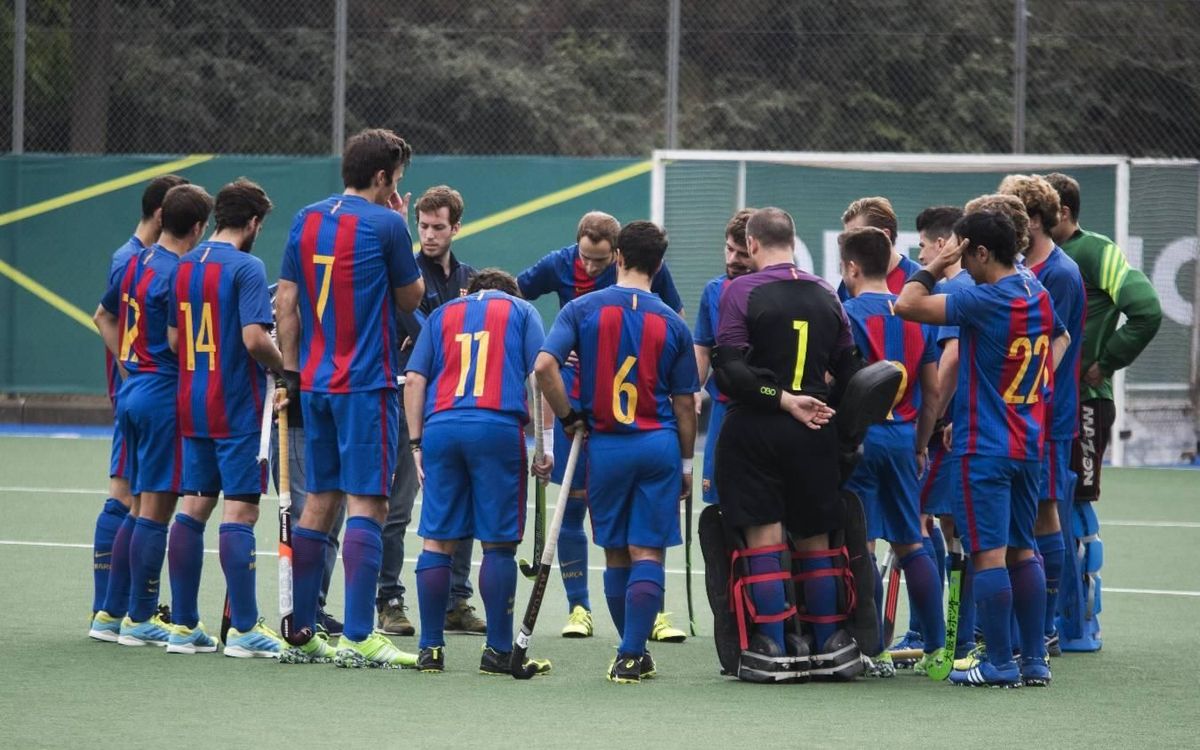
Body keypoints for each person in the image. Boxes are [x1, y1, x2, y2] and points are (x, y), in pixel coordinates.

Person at [895, 210, 1070, 688]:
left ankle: (997, 664)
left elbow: (906, 305)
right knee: (1023, 549)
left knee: (987, 555)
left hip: (985, 447)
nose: (961, 262)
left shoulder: (982, 299)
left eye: (963, 250)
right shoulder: (1038, 291)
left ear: (980, 252)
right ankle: (1034, 661)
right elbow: (1063, 337)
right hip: (1028, 442)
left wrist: (933, 266)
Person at [275, 128, 425, 668]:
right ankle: (361, 634)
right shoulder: (386, 222)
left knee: (320, 498)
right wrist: (402, 226)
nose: (396, 190)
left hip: (313, 384)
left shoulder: (306, 217)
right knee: (370, 503)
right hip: (365, 383)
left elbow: (286, 302)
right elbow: (413, 296)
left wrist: (291, 376)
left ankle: (301, 630)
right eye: (396, 181)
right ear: (383, 178)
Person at [536, 221, 698, 683]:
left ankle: (630, 648)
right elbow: (686, 402)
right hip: (657, 444)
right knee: (648, 550)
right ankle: (632, 653)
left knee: (615, 554)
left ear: (619, 257)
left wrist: (568, 417)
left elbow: (544, 367)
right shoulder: (672, 320)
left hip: (605, 447)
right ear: (660, 264)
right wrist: (686, 463)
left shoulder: (583, 308)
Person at [712, 207, 862, 679]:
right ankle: (830, 643)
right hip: (815, 430)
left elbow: (731, 373)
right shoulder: (827, 293)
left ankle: (773, 646)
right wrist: (826, 412)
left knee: (764, 536)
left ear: (752, 244)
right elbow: (853, 370)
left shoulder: (739, 291)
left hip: (756, 428)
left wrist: (780, 398)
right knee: (817, 539)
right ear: (794, 243)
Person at [161, 179, 287, 657]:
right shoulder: (247, 267)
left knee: (192, 509)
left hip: (192, 403)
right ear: (253, 223)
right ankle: (245, 630)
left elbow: (175, 340)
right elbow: (256, 339)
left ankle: (185, 626)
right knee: (241, 511)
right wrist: (283, 369)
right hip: (236, 406)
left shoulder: (183, 264)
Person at [404, 268, 551, 675]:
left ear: (472, 291)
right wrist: (545, 446)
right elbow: (540, 375)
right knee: (498, 544)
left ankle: (430, 649)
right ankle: (498, 651)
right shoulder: (522, 312)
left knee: (436, 541)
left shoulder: (443, 313)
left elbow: (414, 379)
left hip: (442, 427)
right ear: (512, 293)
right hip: (495, 428)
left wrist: (417, 443)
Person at [90, 184, 214, 646]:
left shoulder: (136, 260)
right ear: (199, 227)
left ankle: (110, 614)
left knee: (136, 506)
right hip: (162, 395)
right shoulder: (179, 273)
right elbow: (180, 342)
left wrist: (130, 365)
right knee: (155, 512)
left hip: (133, 391)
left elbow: (104, 315)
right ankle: (140, 617)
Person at [1044, 172, 1163, 652]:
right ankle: (1049, 620)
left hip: (1085, 405)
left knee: (1074, 511)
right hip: (1042, 408)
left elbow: (1147, 309)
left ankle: (1078, 624)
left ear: (1063, 214)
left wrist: (1104, 363)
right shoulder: (1027, 258)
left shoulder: (1094, 252)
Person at [377, 185, 484, 638]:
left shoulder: (471, 279)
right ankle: (389, 600)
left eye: (439, 227)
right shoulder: (404, 275)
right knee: (397, 507)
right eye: (423, 226)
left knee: (459, 506)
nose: (430, 234)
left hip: (453, 405)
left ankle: (456, 602)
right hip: (409, 400)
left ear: (456, 227)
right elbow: (430, 337)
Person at [839, 226, 944, 675]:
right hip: (904, 439)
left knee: (859, 544)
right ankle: (938, 646)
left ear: (852, 268)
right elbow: (934, 389)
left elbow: (839, 386)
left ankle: (871, 651)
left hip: (861, 440)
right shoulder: (914, 312)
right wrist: (921, 442)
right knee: (911, 541)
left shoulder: (846, 315)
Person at [998, 174, 1086, 657]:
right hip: (1020, 413)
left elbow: (1055, 347)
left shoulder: (1060, 273)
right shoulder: (1022, 267)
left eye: (1014, 213)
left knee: (1045, 510)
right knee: (1025, 514)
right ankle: (1026, 620)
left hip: (1047, 414)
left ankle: (1048, 622)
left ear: (1033, 220)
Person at [890, 205, 966, 664]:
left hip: (949, 431)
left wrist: (934, 420)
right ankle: (951, 633)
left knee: (927, 524)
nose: (919, 252)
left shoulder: (954, 290)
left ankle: (942, 634)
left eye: (922, 245)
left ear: (942, 245)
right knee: (950, 528)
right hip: (976, 426)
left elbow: (951, 361)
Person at [693, 209, 753, 506]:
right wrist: (692, 389)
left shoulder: (779, 292)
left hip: (767, 410)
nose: (732, 260)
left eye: (741, 253)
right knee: (719, 504)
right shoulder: (713, 290)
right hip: (723, 409)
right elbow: (703, 346)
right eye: (729, 249)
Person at [836, 196, 921, 302]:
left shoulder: (920, 282)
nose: (850, 246)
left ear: (885, 235)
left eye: (857, 238)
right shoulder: (850, 281)